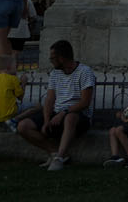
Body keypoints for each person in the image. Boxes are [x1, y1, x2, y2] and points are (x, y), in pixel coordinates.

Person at [16, 39, 97, 169]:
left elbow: (85, 102)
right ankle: (54, 152)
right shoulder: (55, 73)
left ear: (62, 58)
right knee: (23, 126)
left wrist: (63, 113)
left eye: (53, 57)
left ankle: (59, 157)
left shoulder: (85, 72)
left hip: (78, 114)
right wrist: (47, 120)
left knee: (70, 118)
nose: (51, 60)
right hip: (57, 113)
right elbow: (49, 99)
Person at [0, 54, 24, 129]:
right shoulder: (13, 78)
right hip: (10, 112)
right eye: (15, 67)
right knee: (37, 107)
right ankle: (13, 121)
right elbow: (20, 97)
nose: (16, 69)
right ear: (9, 68)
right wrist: (23, 82)